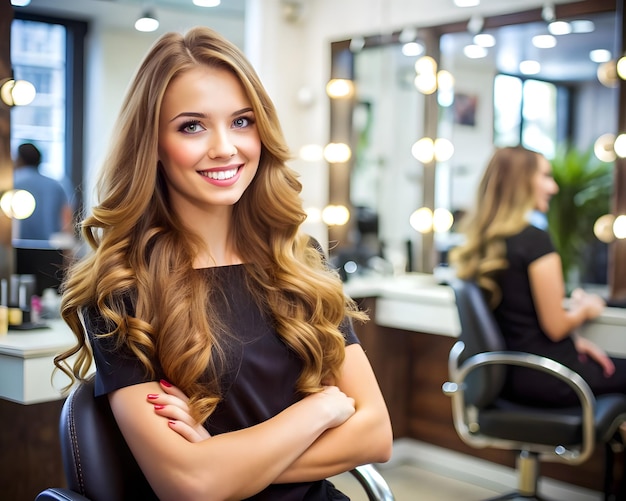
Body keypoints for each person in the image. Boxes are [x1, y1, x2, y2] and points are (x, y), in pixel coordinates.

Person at [55, 26, 392, 501]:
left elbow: (375, 434)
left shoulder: (299, 261)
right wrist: (316, 412)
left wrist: (224, 459)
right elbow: (189, 485)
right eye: (192, 126)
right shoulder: (121, 287)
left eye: (241, 121)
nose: (224, 147)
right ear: (152, 143)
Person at [449, 145, 626, 408]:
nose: (553, 187)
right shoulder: (534, 240)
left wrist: (574, 342)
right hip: (551, 377)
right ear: (521, 182)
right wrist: (586, 309)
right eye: (545, 176)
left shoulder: (482, 245)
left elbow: (518, 322)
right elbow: (555, 328)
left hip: (510, 379)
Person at [13, 142, 73, 243]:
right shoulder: (56, 185)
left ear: (19, 159)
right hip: (50, 248)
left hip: (16, 247)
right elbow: (66, 220)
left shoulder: (12, 182)